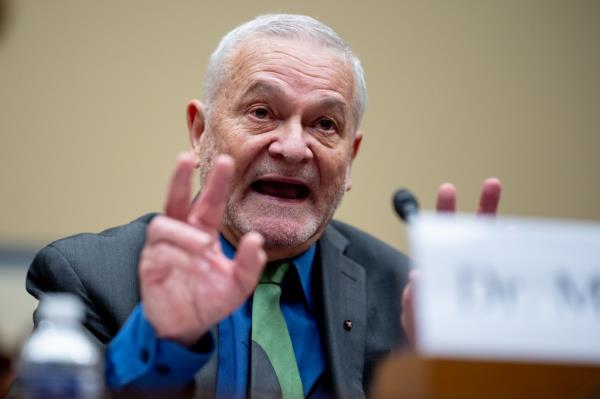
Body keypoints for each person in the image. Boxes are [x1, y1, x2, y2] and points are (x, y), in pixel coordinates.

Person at [24, 14, 501, 399]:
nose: (294, 148)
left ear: (351, 159)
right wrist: (164, 343)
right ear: (200, 132)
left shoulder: (408, 300)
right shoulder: (88, 276)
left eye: (325, 124)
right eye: (261, 113)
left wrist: (447, 377)